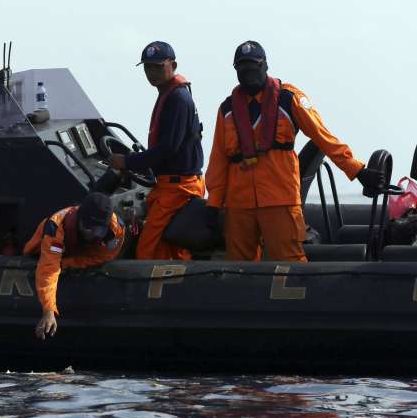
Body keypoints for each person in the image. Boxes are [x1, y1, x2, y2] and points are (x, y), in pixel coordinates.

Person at [205, 40, 383, 261]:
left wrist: (357, 171)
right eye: (242, 67)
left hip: (279, 200)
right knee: (238, 267)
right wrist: (213, 205)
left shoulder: (289, 100)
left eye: (253, 65)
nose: (248, 71)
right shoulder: (228, 109)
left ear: (265, 66)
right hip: (238, 204)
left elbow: (323, 137)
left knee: (290, 261)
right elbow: (219, 160)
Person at [106, 41, 204, 260]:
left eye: (158, 67)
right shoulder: (168, 93)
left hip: (179, 187)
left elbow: (169, 148)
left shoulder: (177, 98)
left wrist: (127, 162)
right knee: (167, 248)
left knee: (147, 250)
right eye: (148, 67)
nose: (152, 73)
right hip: (169, 184)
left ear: (173, 65)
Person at [23, 192, 125, 340]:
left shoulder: (116, 231)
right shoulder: (56, 226)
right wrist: (49, 310)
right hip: (49, 247)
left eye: (98, 230)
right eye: (88, 228)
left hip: (83, 253)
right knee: (35, 254)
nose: (92, 234)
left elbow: (105, 256)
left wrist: (70, 263)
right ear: (80, 221)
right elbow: (49, 269)